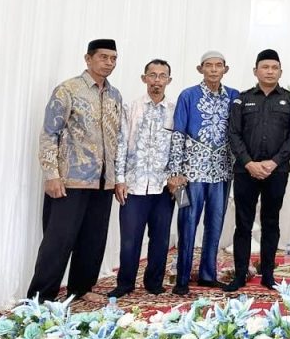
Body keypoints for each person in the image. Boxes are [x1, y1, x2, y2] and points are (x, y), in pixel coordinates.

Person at [27, 39, 123, 303]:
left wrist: (117, 178)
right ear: (88, 59)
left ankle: (81, 288)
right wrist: (51, 175)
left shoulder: (115, 95)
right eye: (103, 57)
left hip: (103, 182)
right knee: (58, 242)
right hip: (70, 180)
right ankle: (40, 298)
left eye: (113, 58)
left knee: (93, 240)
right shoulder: (68, 90)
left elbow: (118, 138)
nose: (109, 63)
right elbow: (49, 134)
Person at [225, 49, 290, 292]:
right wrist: (249, 163)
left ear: (280, 71)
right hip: (245, 171)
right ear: (255, 71)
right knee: (243, 224)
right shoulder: (242, 99)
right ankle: (240, 275)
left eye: (274, 67)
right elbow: (233, 133)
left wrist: (274, 162)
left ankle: (268, 275)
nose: (270, 71)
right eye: (265, 67)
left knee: (271, 222)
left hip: (276, 172)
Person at [167, 51, 240, 295]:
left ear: (225, 69)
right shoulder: (188, 95)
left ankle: (208, 275)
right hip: (190, 173)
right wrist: (175, 171)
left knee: (215, 222)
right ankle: (182, 278)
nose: (214, 70)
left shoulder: (234, 96)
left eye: (219, 65)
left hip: (222, 171)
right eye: (209, 65)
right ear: (201, 69)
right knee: (187, 222)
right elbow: (178, 135)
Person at [109, 59, 176, 299]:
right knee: (130, 239)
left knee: (160, 239)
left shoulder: (174, 111)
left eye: (162, 76)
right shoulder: (131, 108)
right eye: (152, 75)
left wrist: (175, 177)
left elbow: (178, 147)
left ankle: (154, 282)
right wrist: (119, 179)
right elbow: (120, 145)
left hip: (163, 187)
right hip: (134, 186)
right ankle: (125, 283)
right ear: (144, 78)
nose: (157, 80)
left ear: (169, 80)